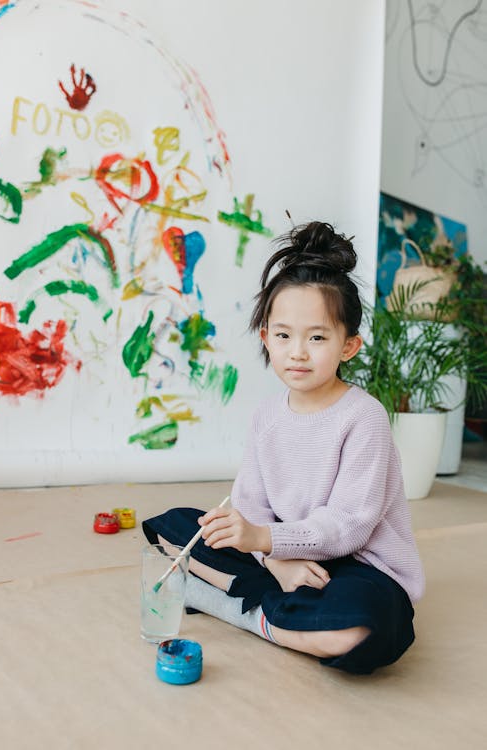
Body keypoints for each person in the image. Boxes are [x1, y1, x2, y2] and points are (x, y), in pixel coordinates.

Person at [143, 221, 425, 675]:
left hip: (353, 565)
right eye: (283, 335)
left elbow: (349, 524)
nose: (297, 352)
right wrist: (276, 563)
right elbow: (251, 507)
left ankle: (247, 613)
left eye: (317, 337)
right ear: (265, 338)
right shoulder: (266, 415)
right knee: (171, 530)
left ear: (348, 345)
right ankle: (278, 607)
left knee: (361, 631)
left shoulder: (364, 416)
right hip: (279, 554)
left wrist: (266, 542)